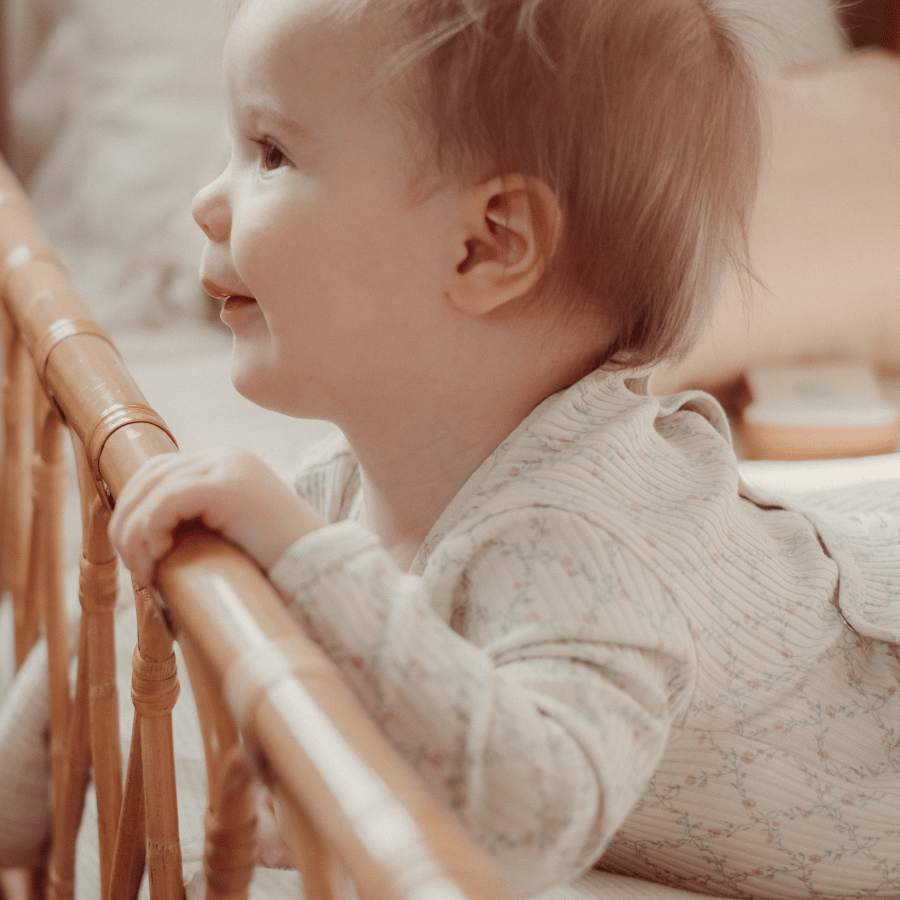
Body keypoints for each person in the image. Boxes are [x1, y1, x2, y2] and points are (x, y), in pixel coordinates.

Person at [9, 0, 900, 897]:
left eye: (271, 153)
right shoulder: (364, 475)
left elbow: (529, 826)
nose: (205, 203)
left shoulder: (583, 542)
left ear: (483, 246)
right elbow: (127, 604)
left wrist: (310, 561)